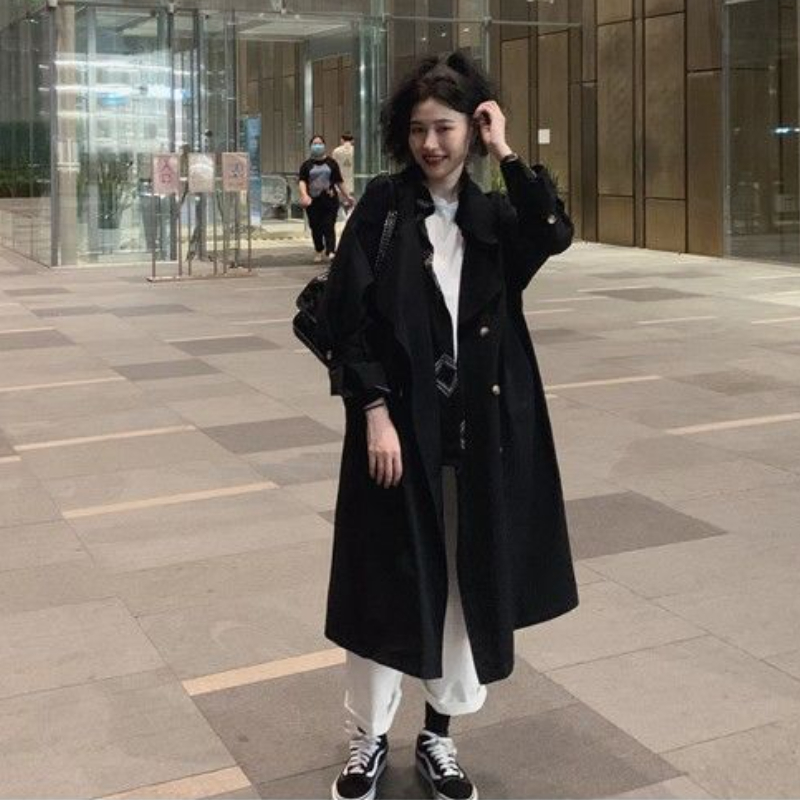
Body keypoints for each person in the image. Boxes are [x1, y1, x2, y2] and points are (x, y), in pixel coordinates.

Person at [318, 51, 579, 800]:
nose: (431, 144)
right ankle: (367, 738)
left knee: (466, 587)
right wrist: (373, 413)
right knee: (384, 585)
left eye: (447, 128)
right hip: (398, 434)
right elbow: (346, 319)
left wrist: (508, 151)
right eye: (418, 129)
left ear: (473, 128)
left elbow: (554, 232)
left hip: (480, 432)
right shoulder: (384, 207)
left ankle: (439, 734)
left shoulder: (494, 215)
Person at [299, 135, 353, 262]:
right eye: (315, 144)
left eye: (320, 143)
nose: (317, 146)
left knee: (329, 225)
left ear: (324, 145)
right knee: (315, 226)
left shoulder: (331, 163)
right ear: (310, 146)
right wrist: (304, 194)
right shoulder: (306, 165)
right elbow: (302, 181)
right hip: (313, 201)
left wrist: (347, 196)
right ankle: (319, 249)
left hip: (329, 199)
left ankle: (331, 250)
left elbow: (339, 181)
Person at [332, 133, 356, 211]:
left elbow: (333, 166)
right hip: (353, 179)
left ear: (342, 140)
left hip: (340, 180)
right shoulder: (355, 150)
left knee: (341, 203)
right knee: (352, 201)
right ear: (352, 140)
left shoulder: (336, 151)